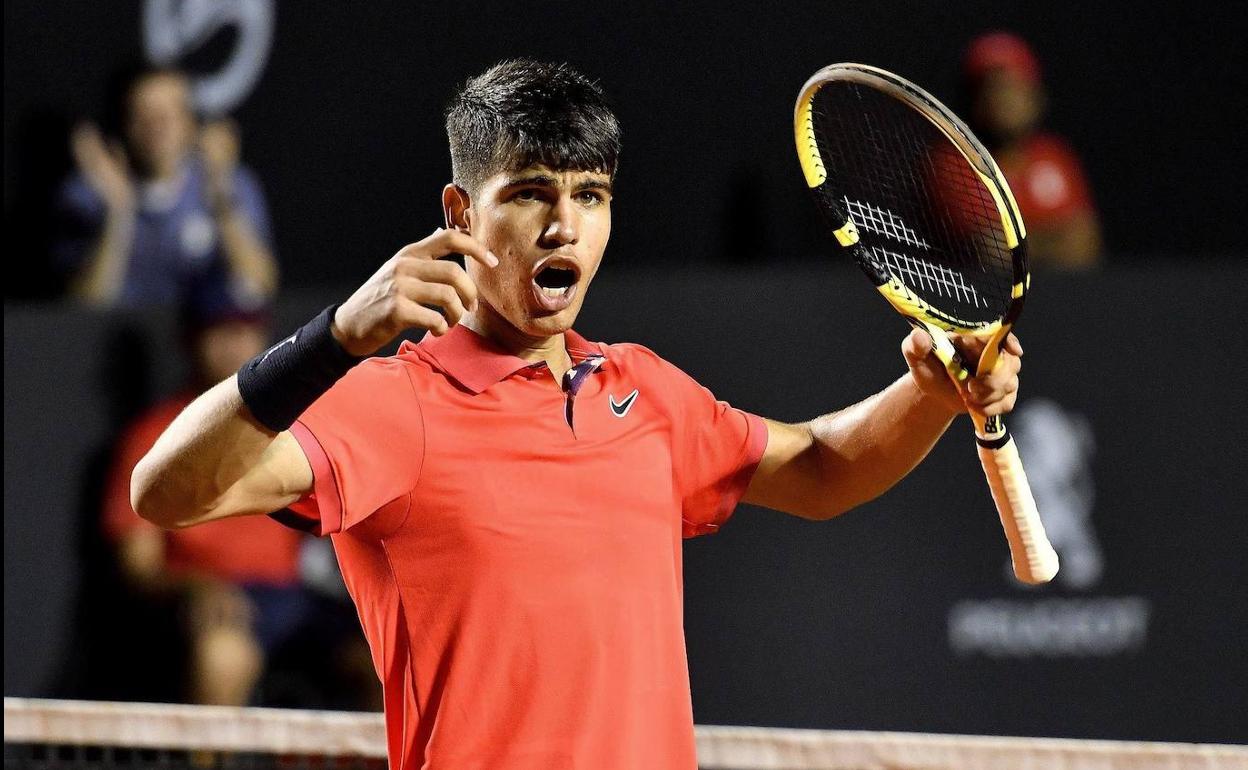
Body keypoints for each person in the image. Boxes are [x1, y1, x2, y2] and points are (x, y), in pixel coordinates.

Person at [131, 60, 1024, 768]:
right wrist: (331, 340)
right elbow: (164, 493)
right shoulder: (390, 401)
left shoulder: (647, 392)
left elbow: (824, 470)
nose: (564, 226)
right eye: (530, 194)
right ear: (461, 213)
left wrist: (928, 395)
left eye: (589, 195)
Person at [101, 301, 310, 705]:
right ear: (191, 340)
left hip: (295, 598)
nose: (235, 344)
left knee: (385, 653)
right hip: (213, 601)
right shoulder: (154, 434)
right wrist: (199, 588)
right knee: (224, 655)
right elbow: (137, 565)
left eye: (246, 329)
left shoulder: (294, 421)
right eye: (221, 330)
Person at [54, 65, 278, 310]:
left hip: (200, 339)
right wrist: (118, 212)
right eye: (143, 114)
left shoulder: (229, 181)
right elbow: (84, 307)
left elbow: (260, 288)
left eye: (169, 114)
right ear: (123, 123)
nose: (157, 127)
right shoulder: (87, 193)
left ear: (192, 123)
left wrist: (220, 193)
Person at [963, 31, 1103, 269]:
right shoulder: (958, 162)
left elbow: (1085, 244)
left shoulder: (1055, 157)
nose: (1004, 100)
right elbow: (992, 252)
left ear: (1035, 95)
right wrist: (1054, 238)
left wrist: (1026, 243)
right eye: (993, 89)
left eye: (1014, 88)